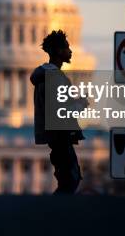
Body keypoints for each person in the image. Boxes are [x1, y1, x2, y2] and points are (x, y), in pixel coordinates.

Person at [30, 30, 87, 194]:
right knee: (70, 179)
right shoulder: (53, 77)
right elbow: (58, 111)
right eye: (67, 48)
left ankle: (57, 212)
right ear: (58, 51)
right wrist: (80, 104)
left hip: (58, 135)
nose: (70, 51)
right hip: (60, 134)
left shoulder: (49, 75)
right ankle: (56, 213)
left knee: (68, 178)